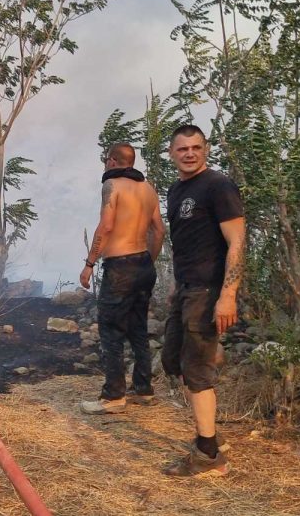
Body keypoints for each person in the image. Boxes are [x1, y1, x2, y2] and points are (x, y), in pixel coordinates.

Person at [161, 125, 245, 477]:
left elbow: (237, 241)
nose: (190, 153)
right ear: (172, 153)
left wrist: (228, 295)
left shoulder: (218, 185)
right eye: (183, 149)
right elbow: (185, 242)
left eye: (196, 147)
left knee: (197, 370)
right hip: (187, 288)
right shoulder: (177, 189)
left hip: (208, 291)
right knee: (172, 361)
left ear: (206, 149)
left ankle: (209, 456)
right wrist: (175, 286)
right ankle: (212, 433)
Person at [79, 143, 166, 414]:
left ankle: (113, 396)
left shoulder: (112, 186)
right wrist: (147, 263)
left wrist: (90, 263)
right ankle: (144, 389)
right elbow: (159, 231)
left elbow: (106, 226)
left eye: (106, 160)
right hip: (143, 263)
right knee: (138, 326)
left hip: (120, 266)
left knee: (111, 329)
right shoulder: (148, 188)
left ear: (113, 161)